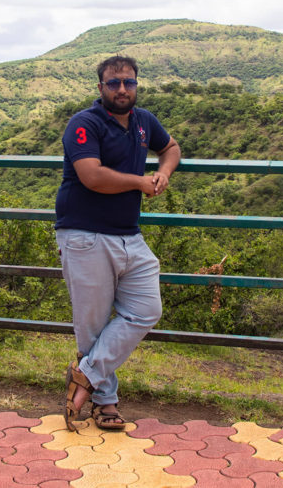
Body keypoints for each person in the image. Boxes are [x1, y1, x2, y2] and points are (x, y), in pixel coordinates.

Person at [54, 55, 181, 431]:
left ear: (137, 85)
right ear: (101, 88)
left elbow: (171, 147)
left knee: (146, 309)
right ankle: (105, 403)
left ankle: (84, 375)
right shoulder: (84, 123)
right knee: (91, 326)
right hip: (85, 234)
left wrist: (162, 172)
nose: (123, 89)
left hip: (129, 235)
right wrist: (140, 181)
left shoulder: (144, 121)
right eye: (114, 83)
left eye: (129, 82)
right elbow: (91, 176)